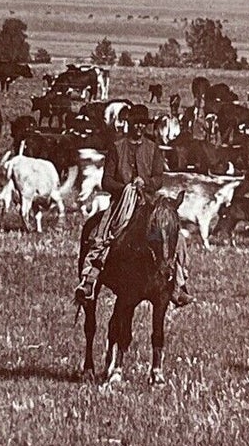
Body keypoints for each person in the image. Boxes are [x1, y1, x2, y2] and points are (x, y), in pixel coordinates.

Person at [74, 104, 191, 309]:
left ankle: (178, 283)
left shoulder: (153, 148)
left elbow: (158, 179)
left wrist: (146, 184)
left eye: (142, 124)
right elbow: (106, 181)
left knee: (175, 234)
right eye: (135, 123)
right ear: (128, 124)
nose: (138, 127)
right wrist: (127, 187)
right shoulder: (117, 147)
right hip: (122, 201)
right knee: (102, 234)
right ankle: (90, 277)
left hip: (148, 202)